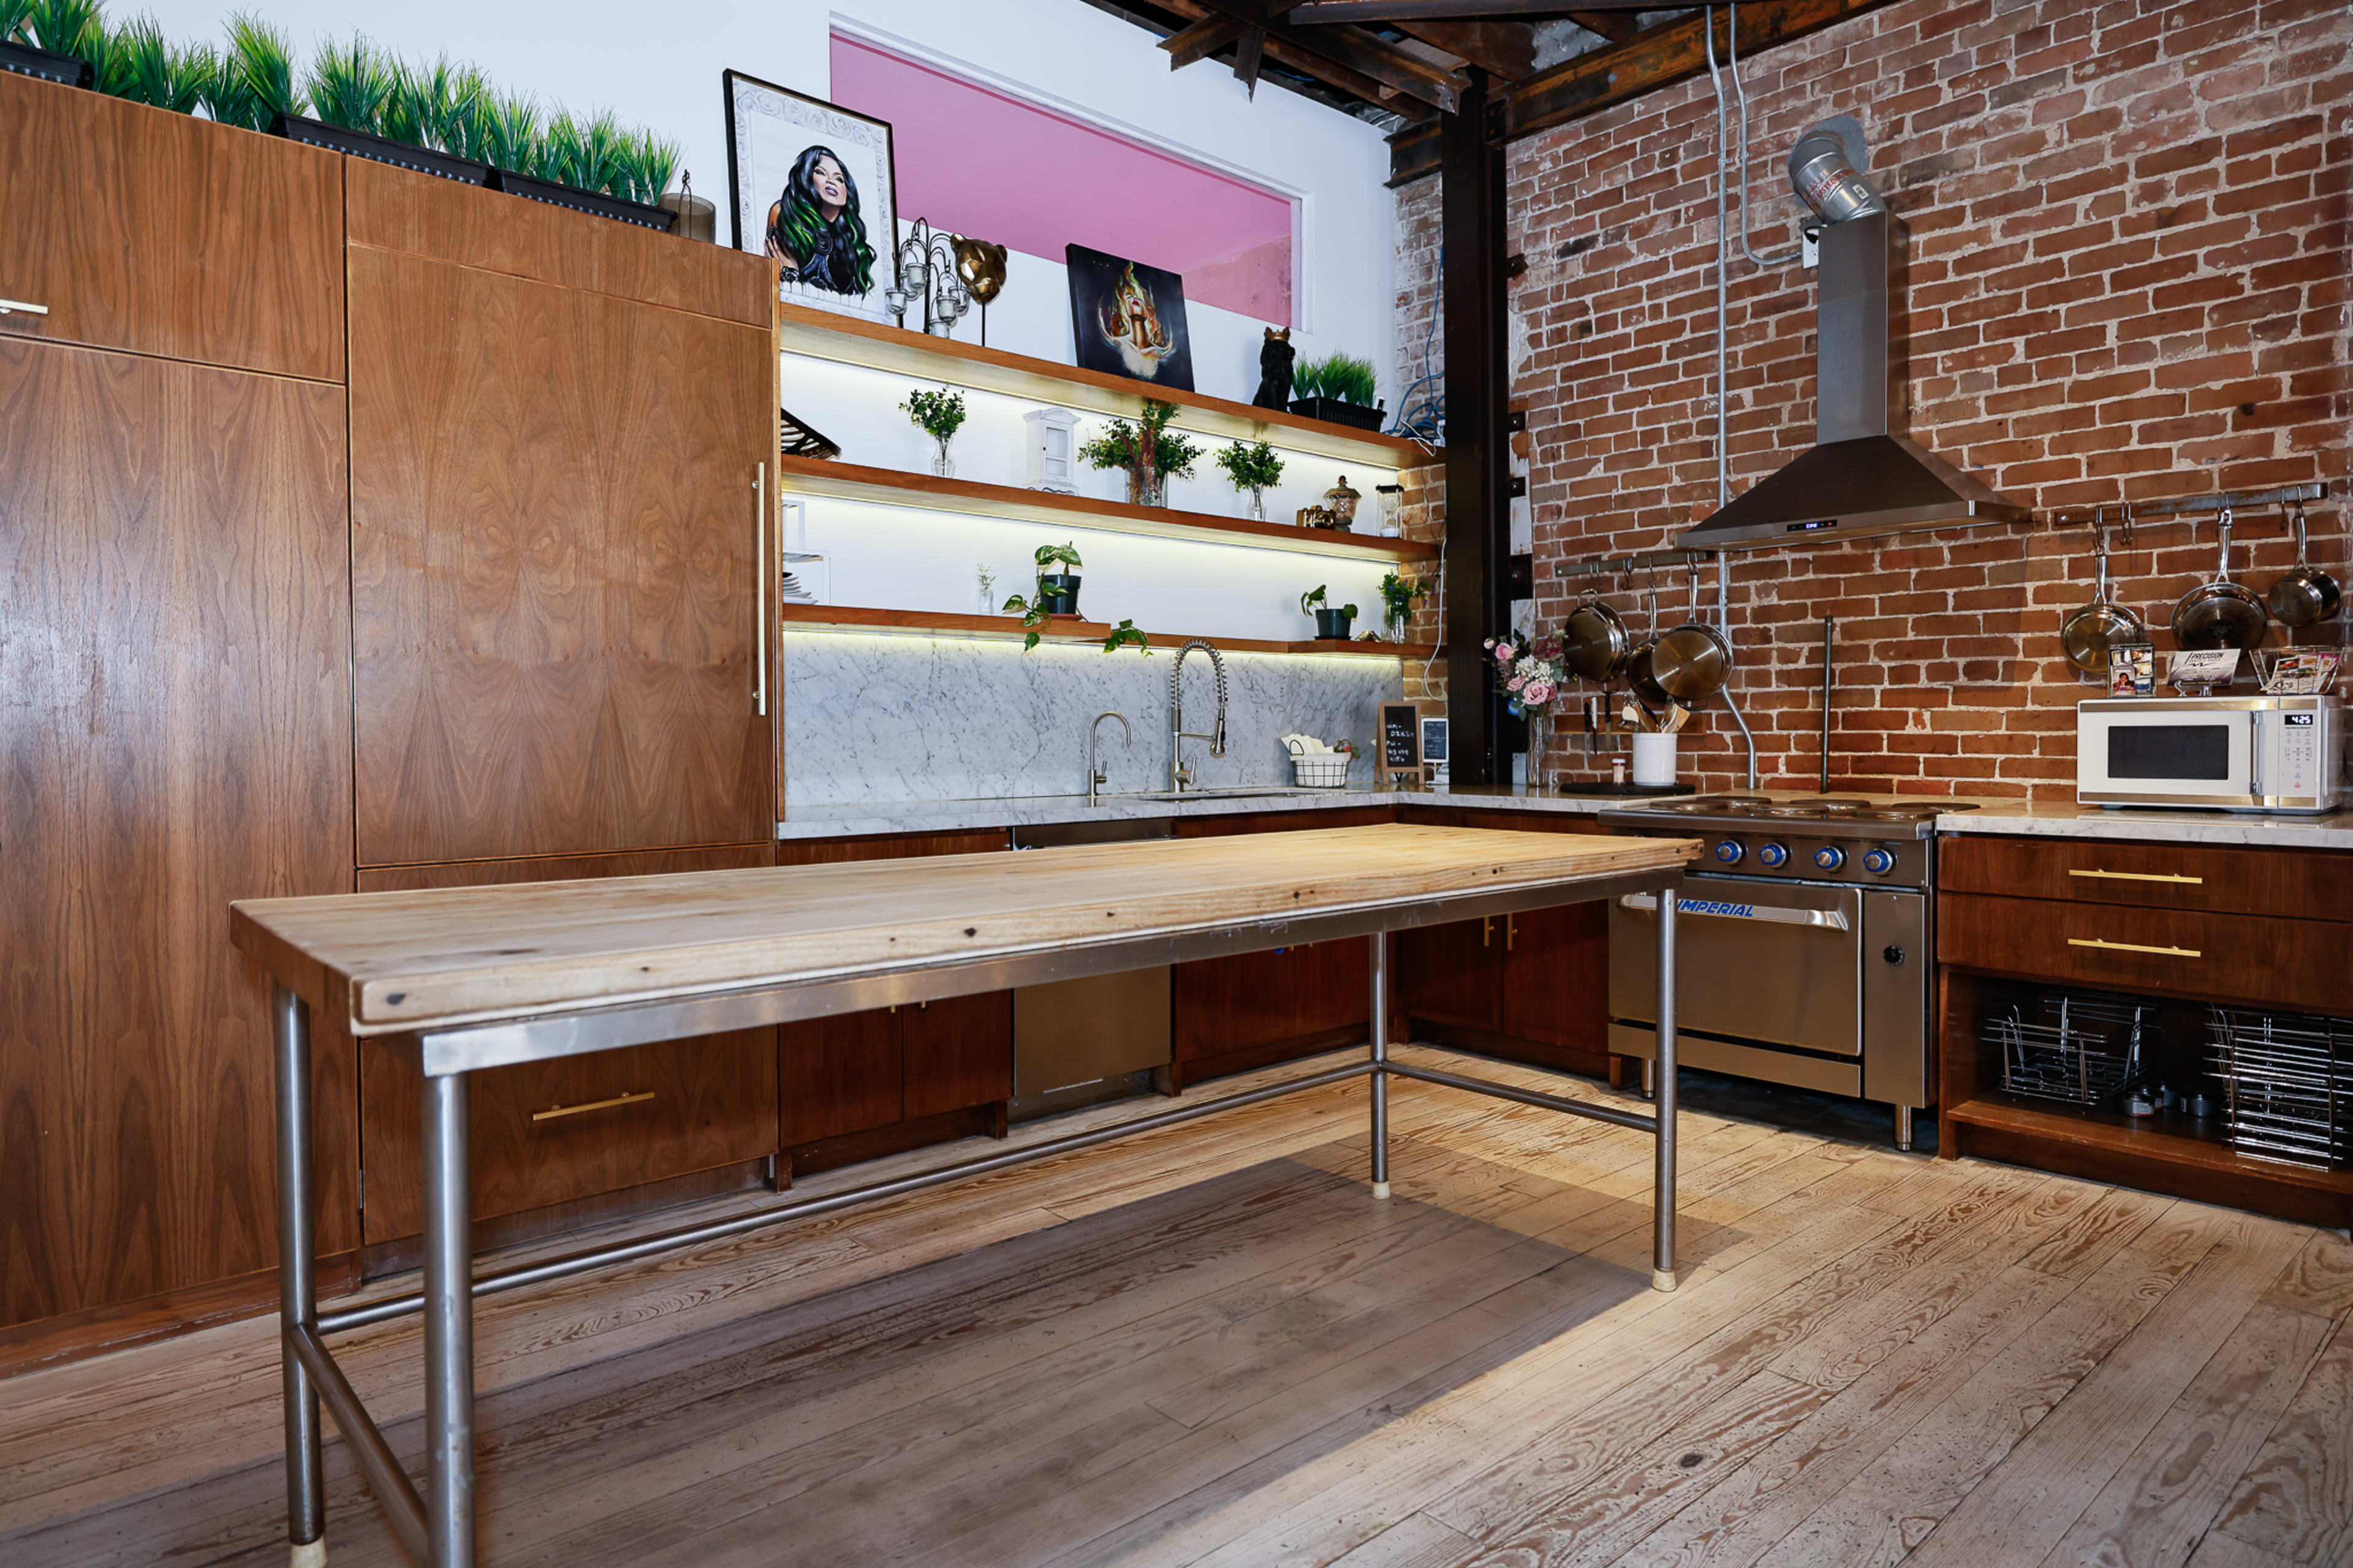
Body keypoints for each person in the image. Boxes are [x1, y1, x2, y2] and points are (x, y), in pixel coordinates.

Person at [766, 146, 875, 296]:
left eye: (839, 179)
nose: (831, 181)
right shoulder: (784, 214)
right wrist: (790, 274)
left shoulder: (852, 241)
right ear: (806, 178)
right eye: (821, 173)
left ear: (847, 191)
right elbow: (773, 274)